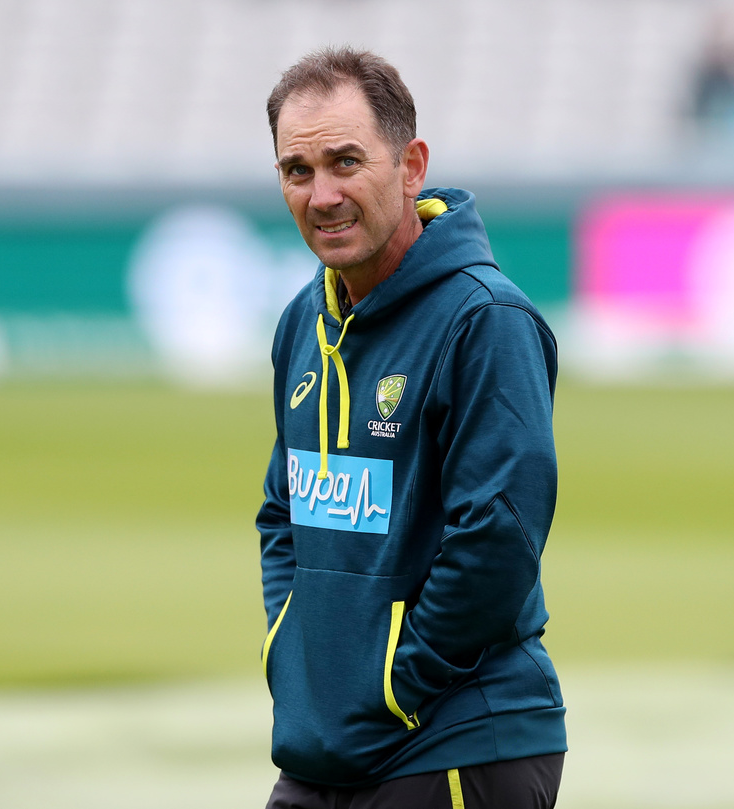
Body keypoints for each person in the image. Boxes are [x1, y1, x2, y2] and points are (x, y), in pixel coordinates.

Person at [255, 47, 565, 809]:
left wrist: (393, 681)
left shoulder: (485, 318)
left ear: (411, 166)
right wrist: (296, 653)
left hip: (455, 740)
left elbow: (497, 539)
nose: (322, 194)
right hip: (326, 745)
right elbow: (282, 512)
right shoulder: (303, 319)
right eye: (298, 170)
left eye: (345, 162)